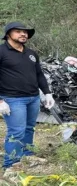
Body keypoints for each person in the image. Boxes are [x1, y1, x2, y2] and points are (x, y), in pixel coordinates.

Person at [0, 22, 55, 172]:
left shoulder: (31, 54)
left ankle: (27, 153)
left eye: (25, 32)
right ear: (8, 34)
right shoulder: (1, 51)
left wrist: (47, 93)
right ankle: (10, 164)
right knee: (16, 131)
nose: (23, 34)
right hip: (12, 99)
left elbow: (39, 74)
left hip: (33, 98)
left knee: (29, 128)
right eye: (18, 31)